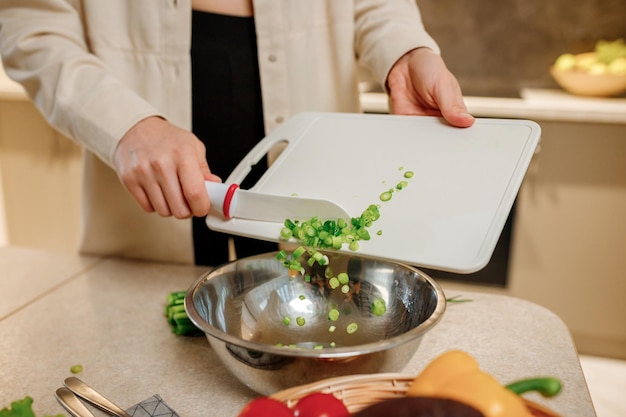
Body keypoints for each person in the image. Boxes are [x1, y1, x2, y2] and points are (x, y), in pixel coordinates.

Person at [0, 0, 475, 266]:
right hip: (148, 235)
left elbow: (378, 6)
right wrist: (125, 125)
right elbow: (32, 27)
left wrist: (404, 53)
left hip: (317, 222)